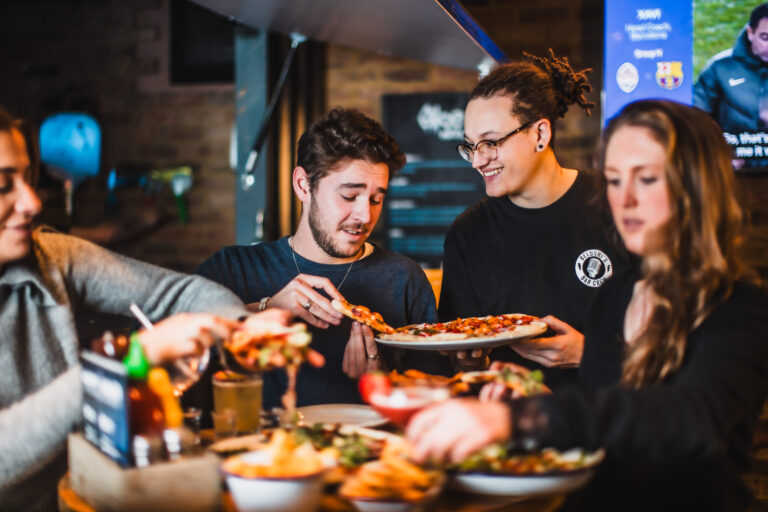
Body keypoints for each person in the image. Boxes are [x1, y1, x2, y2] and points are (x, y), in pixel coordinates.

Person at [407, 99, 768, 510]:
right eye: (614, 180)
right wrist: (522, 394)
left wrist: (524, 420)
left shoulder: (740, 309)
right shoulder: (618, 293)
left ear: (696, 187)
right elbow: (604, 418)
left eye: (646, 179)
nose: (625, 199)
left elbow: (691, 417)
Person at [0, 107, 290, 511]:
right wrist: (136, 358)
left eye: (28, 179)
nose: (31, 201)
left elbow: (180, 292)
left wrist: (244, 327)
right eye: (3, 186)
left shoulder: (50, 255)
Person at [194, 107, 449, 412]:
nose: (365, 216)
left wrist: (387, 383)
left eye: (376, 199)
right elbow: (163, 348)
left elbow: (438, 400)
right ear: (303, 185)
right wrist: (263, 310)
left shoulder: (403, 278)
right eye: (349, 196)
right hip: (261, 455)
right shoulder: (235, 269)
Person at [440, 50, 630, 387]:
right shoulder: (467, 234)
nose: (477, 161)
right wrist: (469, 360)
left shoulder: (620, 207)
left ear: (540, 135)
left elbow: (677, 344)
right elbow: (461, 368)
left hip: (612, 424)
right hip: (511, 428)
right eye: (471, 146)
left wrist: (589, 353)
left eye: (491, 142)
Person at [694, 3, 768, 134]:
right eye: (765, 38)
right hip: (732, 151)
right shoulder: (719, 67)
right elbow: (696, 116)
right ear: (750, 33)